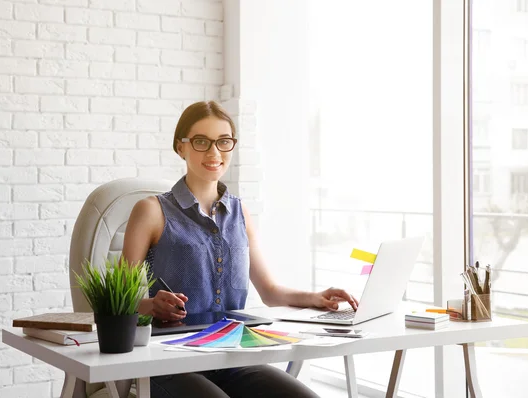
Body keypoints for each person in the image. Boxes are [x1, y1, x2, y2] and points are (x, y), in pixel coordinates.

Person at [121, 100, 358, 398]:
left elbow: (270, 292)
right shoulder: (151, 211)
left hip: (232, 356)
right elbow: (116, 301)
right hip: (168, 361)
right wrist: (149, 304)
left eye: (224, 142)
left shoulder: (239, 212)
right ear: (180, 147)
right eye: (201, 142)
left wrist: (317, 297)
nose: (214, 153)